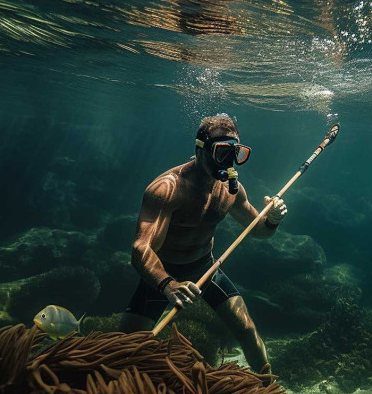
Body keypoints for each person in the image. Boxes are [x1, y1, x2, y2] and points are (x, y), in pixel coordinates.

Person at [119, 114, 287, 374]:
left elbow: (259, 231)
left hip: (206, 269)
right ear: (200, 150)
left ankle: (269, 388)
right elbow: (140, 250)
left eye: (237, 153)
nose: (230, 161)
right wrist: (168, 284)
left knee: (247, 329)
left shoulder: (232, 190)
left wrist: (273, 219)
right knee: (124, 346)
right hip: (162, 273)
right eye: (222, 153)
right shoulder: (168, 188)